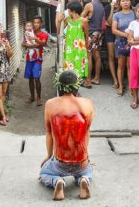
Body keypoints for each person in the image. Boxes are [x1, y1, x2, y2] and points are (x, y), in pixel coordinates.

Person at [39, 70, 94, 200]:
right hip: (81, 163)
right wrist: (87, 157)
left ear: (59, 86)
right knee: (89, 169)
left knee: (43, 173)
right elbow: (86, 133)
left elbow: (48, 132)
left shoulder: (50, 104)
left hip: (60, 162)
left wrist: (49, 156)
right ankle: (83, 179)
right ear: (77, 86)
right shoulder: (87, 104)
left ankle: (57, 181)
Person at [112, 0, 136, 97]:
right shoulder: (116, 15)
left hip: (132, 42)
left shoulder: (134, 14)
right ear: (120, 3)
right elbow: (114, 30)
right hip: (120, 42)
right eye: (123, 1)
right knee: (120, 65)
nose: (125, 2)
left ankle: (131, 87)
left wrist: (130, 36)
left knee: (130, 66)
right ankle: (121, 86)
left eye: (127, 0)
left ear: (130, 2)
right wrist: (125, 35)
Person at [81, 0, 105, 88]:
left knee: (89, 56)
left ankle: (88, 80)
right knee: (97, 56)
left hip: (91, 33)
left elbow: (80, 18)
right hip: (99, 33)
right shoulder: (101, 5)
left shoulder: (89, 5)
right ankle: (97, 78)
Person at [22, 16, 49, 106]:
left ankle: (39, 98)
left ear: (41, 24)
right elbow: (23, 43)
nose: (36, 24)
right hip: (29, 59)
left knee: (36, 78)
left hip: (38, 59)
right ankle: (32, 96)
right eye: (35, 22)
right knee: (30, 78)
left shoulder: (44, 34)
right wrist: (32, 45)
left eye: (38, 22)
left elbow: (43, 43)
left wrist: (35, 39)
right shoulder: (28, 32)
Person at [63, 0, 89, 79]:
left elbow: (87, 36)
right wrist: (59, 20)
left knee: (78, 67)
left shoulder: (83, 21)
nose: (67, 11)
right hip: (69, 48)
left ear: (73, 11)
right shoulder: (67, 19)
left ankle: (75, 89)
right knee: (69, 68)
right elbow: (59, 32)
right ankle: (70, 89)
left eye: (68, 9)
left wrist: (86, 48)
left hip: (80, 49)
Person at [104, 0, 120, 89]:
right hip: (110, 32)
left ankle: (120, 78)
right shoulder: (107, 7)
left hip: (120, 32)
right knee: (111, 56)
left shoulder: (123, 6)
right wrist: (111, 8)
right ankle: (115, 79)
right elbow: (109, 22)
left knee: (120, 57)